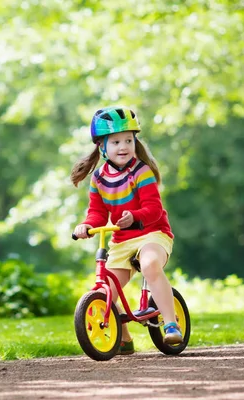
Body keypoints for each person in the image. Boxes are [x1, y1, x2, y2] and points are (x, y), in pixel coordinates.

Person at [70, 105, 182, 355]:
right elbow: (97, 213)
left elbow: (153, 208)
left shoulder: (141, 172)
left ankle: (171, 324)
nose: (124, 146)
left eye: (128, 140)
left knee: (150, 264)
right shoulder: (98, 179)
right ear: (102, 147)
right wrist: (87, 226)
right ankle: (124, 338)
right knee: (105, 289)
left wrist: (135, 217)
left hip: (152, 233)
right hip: (122, 240)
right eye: (116, 141)